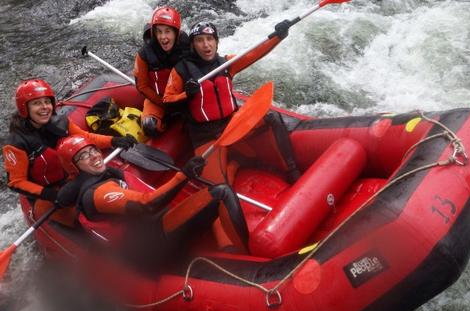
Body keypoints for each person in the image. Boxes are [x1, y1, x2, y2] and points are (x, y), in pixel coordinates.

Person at [56, 136, 249, 264]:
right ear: (74, 167)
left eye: (93, 150)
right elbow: (146, 205)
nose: (94, 156)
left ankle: (230, 250)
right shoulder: (97, 193)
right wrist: (184, 175)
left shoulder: (104, 175)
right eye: (83, 156)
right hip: (151, 245)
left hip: (153, 228)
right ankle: (246, 261)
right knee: (221, 193)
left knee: (213, 197)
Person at [163, 20, 300, 184]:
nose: (206, 45)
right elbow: (167, 100)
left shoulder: (226, 63)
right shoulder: (180, 70)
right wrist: (186, 94)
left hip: (232, 124)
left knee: (273, 117)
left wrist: (279, 36)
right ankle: (235, 164)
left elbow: (254, 53)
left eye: (210, 39)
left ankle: (291, 170)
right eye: (200, 40)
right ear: (193, 45)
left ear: (216, 41)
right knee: (216, 187)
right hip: (205, 135)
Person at [2, 79, 137, 227]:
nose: (44, 107)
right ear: (24, 108)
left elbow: (86, 138)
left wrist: (114, 140)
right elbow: (16, 183)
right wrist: (52, 195)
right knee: (81, 220)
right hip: (46, 194)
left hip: (73, 178)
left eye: (47, 102)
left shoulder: (60, 122)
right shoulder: (16, 144)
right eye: (36, 103)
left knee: (112, 184)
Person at [133, 6, 190, 137]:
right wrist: (164, 103)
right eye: (158, 32)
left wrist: (181, 99)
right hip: (158, 100)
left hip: (184, 97)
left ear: (176, 32)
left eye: (167, 31)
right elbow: (142, 86)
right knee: (150, 127)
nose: (163, 37)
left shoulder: (188, 47)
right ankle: (165, 120)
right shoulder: (144, 55)